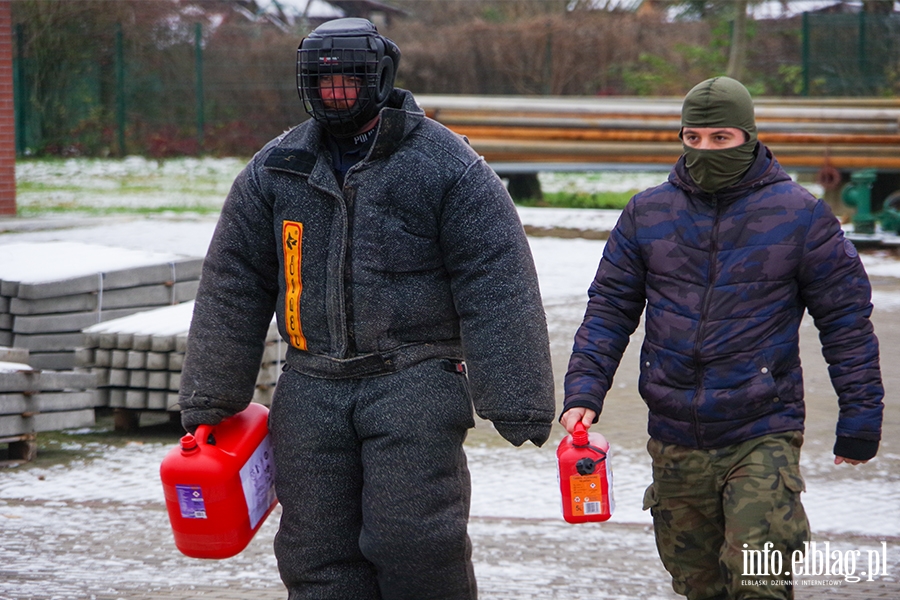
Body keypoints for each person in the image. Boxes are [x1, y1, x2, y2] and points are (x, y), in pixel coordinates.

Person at [178, 17, 555, 600]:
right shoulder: (277, 168)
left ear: (379, 78)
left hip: (415, 379)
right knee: (316, 550)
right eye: (323, 83)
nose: (336, 93)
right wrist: (211, 396)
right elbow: (235, 280)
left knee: (413, 540)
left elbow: (496, 277)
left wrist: (517, 399)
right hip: (309, 385)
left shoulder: (445, 165)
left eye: (348, 80)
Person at [561, 76, 883, 600]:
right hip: (673, 432)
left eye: (721, 138)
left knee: (759, 582)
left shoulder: (801, 216)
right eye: (693, 138)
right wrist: (583, 394)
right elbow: (609, 310)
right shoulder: (647, 213)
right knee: (699, 586)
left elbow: (846, 321)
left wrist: (861, 418)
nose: (704, 150)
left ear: (749, 138)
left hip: (761, 428)